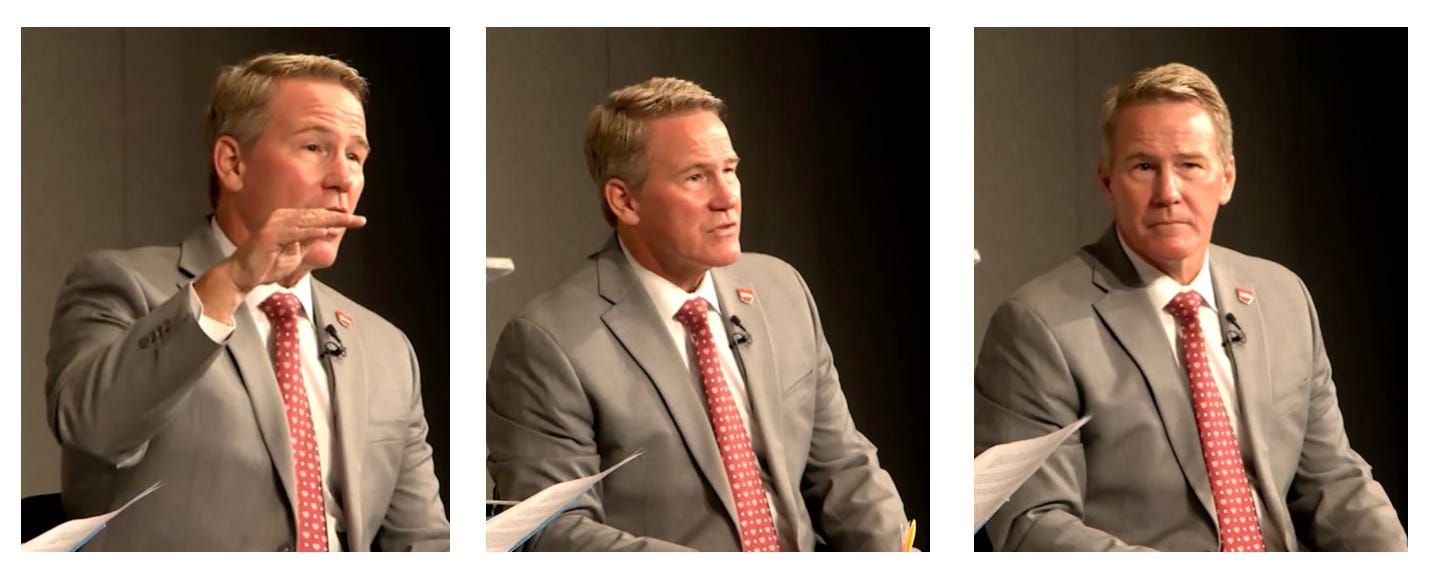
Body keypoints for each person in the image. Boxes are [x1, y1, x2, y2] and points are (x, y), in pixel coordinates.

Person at [974, 62, 1406, 551]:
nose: (1168, 193)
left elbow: (1335, 483)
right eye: (1143, 167)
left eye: (1189, 165)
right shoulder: (1038, 326)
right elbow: (1034, 525)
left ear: (1226, 179)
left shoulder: (1284, 298)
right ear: (1107, 182)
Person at [43, 53, 449, 551]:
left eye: (355, 156)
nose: (343, 178)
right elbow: (93, 431)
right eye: (314, 147)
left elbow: (422, 542)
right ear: (233, 163)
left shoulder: (386, 347)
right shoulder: (124, 286)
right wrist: (234, 278)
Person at [487, 77, 909, 551]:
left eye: (730, 170)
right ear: (625, 200)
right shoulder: (549, 342)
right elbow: (555, 534)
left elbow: (845, 469)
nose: (727, 197)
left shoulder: (781, 290)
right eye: (696, 177)